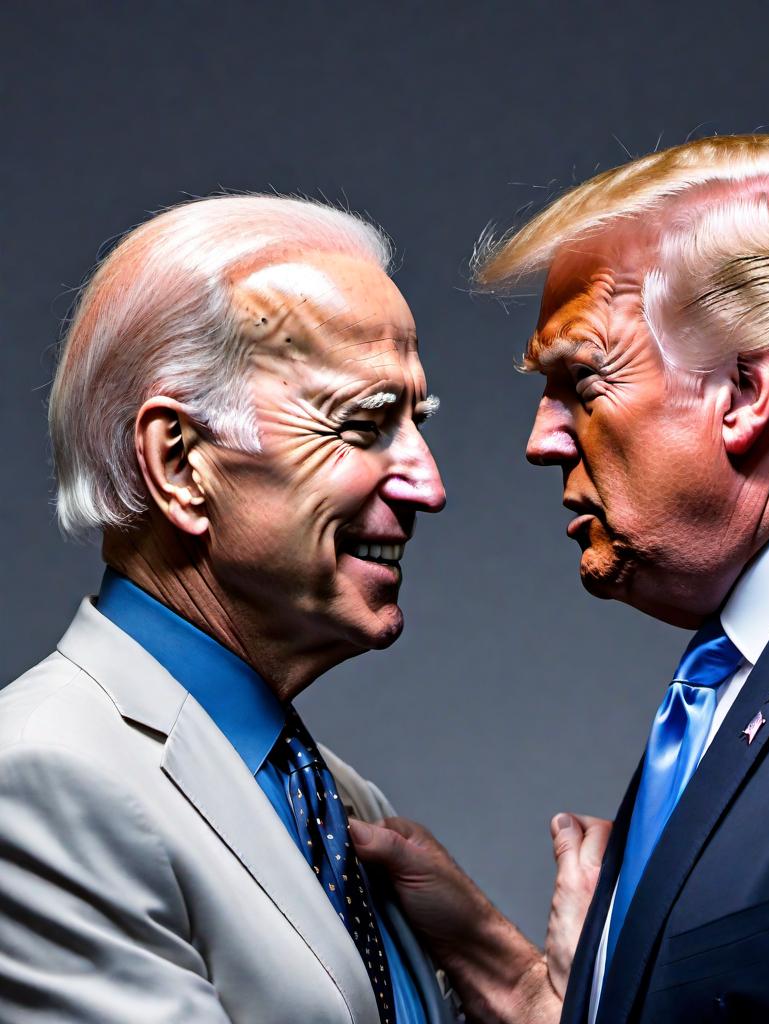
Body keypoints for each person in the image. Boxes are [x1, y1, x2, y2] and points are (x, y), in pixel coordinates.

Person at [351, 134, 769, 1022]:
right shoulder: (763, 656)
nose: (541, 440)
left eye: (580, 381)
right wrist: (523, 985)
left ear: (746, 387)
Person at [0, 195, 457, 1023]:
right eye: (366, 425)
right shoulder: (39, 781)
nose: (429, 484)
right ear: (179, 463)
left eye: (415, 423)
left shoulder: (339, 802)